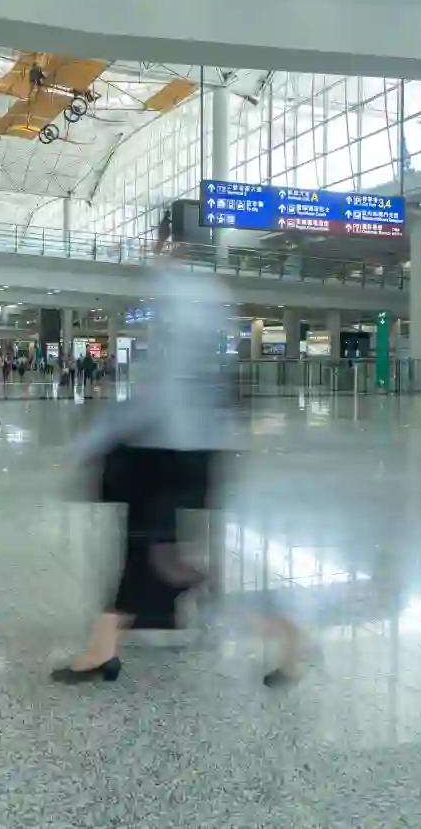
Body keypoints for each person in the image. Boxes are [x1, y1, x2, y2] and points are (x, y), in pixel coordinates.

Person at [54, 242, 306, 688]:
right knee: (153, 558)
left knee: (160, 561)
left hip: (169, 452)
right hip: (193, 449)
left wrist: (96, 439)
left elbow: (163, 390)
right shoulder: (207, 297)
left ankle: (284, 629)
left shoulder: (179, 303)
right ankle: (103, 648)